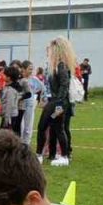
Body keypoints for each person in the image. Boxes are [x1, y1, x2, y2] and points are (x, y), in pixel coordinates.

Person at [36, 38, 73, 167]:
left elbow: (64, 85)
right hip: (57, 103)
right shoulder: (56, 65)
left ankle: (42, 154)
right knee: (56, 127)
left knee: (44, 126)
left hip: (57, 103)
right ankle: (62, 155)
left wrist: (59, 103)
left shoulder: (60, 65)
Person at [21, 62, 40, 145]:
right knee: (21, 127)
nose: (31, 71)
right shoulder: (20, 79)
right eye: (29, 69)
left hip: (30, 105)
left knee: (28, 127)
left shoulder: (34, 80)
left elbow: (40, 89)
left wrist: (39, 99)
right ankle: (20, 145)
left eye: (32, 69)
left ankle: (26, 146)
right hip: (21, 105)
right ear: (24, 69)